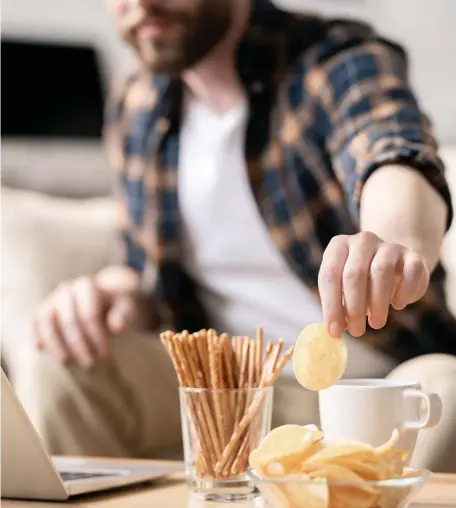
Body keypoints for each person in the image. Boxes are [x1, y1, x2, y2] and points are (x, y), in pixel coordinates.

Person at [5, 0, 456, 471]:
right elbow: (145, 272)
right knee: (59, 359)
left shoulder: (336, 58)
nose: (138, 4)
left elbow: (392, 150)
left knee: (448, 391)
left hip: (371, 381)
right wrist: (109, 294)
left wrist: (391, 240)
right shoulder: (136, 100)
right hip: (225, 389)